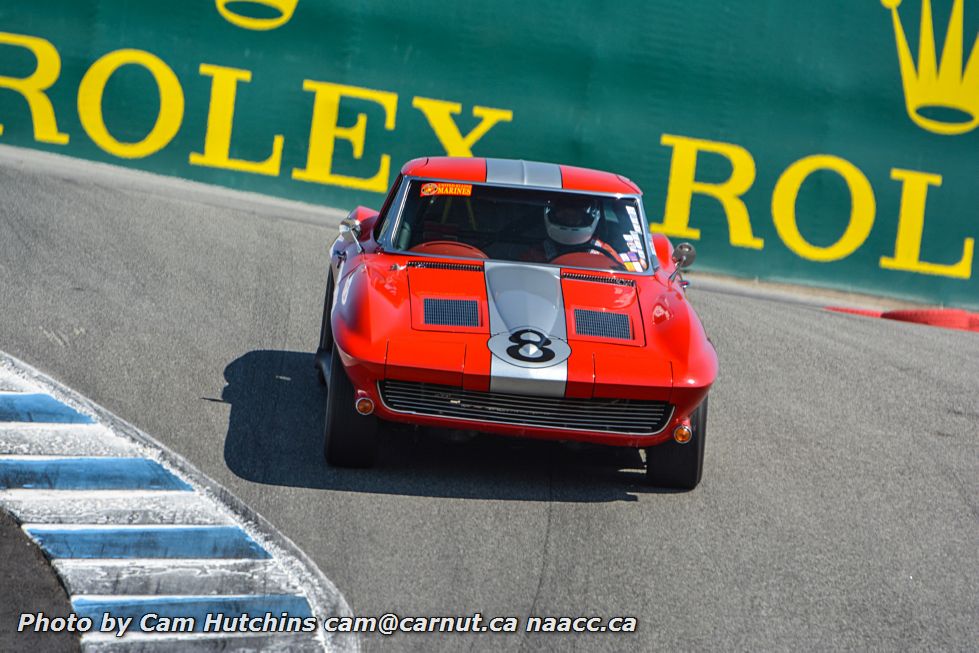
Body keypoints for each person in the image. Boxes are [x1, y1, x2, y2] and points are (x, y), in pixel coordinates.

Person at [530, 196, 623, 266]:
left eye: (576, 216)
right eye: (564, 215)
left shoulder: (605, 254)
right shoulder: (536, 254)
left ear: (590, 216)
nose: (570, 219)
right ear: (552, 214)